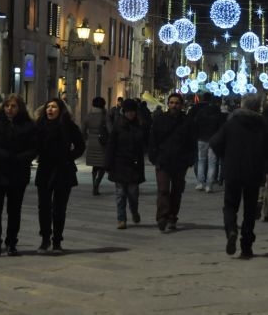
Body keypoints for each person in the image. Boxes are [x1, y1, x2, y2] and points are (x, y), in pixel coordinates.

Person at [210, 95, 268, 259]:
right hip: (254, 172)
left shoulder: (231, 124)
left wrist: (225, 157)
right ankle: (246, 246)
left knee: (230, 205)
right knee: (250, 210)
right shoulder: (262, 126)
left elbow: (215, 143)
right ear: (257, 107)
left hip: (233, 170)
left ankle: (231, 229)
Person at [0, 94, 36, 257]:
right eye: (7, 106)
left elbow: (34, 148)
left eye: (13, 106)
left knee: (14, 210)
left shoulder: (28, 125)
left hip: (17, 173)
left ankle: (11, 243)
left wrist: (19, 158)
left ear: (19, 108)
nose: (10, 109)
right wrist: (4, 155)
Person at [34, 98, 85, 253]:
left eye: (54, 107)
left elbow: (80, 146)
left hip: (63, 170)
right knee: (43, 207)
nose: (50, 109)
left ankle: (57, 240)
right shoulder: (40, 125)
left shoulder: (68, 126)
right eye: (48, 106)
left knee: (59, 208)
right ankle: (44, 239)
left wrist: (69, 157)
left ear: (60, 110)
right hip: (45, 169)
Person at [148, 93, 196, 233]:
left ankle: (172, 216)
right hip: (163, 160)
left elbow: (192, 142)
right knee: (163, 190)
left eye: (177, 103)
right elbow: (153, 139)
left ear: (181, 105)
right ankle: (162, 217)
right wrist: (154, 157)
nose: (174, 105)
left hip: (180, 162)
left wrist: (190, 159)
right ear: (168, 104)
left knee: (177, 191)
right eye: (172, 103)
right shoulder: (160, 119)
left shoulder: (187, 121)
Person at [106, 98, 146, 229]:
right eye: (128, 111)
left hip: (134, 164)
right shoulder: (118, 126)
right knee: (120, 194)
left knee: (133, 194)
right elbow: (111, 145)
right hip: (120, 163)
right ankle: (121, 219)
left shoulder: (140, 126)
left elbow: (144, 144)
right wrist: (108, 162)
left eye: (132, 111)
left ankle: (134, 211)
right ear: (124, 112)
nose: (130, 114)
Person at [193, 93, 224, 193]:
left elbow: (196, 124)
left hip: (202, 138)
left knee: (201, 161)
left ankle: (200, 183)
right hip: (214, 140)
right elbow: (221, 128)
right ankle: (209, 185)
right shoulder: (218, 113)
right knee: (212, 163)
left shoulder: (201, 112)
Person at [82, 97, 108, 196]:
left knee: (94, 166)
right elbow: (110, 129)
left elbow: (82, 130)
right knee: (102, 165)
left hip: (91, 142)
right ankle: (97, 183)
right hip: (102, 143)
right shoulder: (104, 116)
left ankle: (94, 184)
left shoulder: (88, 116)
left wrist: (86, 139)